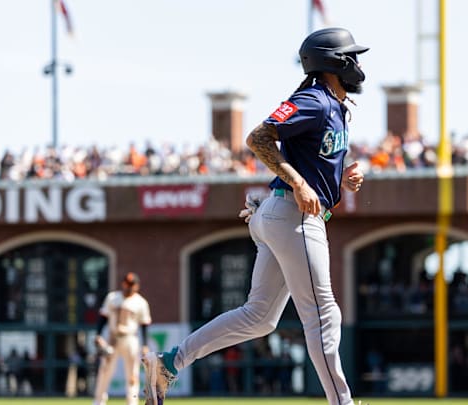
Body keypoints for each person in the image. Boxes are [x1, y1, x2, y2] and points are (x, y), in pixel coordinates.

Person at [142, 27, 368, 405]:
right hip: (292, 215)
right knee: (323, 314)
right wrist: (298, 183)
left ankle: (169, 362)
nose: (357, 63)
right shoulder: (314, 99)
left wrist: (342, 174)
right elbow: (258, 138)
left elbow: (312, 158)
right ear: (335, 62)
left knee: (259, 317)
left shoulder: (333, 105)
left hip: (281, 214)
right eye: (351, 55)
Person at [93, 272, 152, 405]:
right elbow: (103, 317)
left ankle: (132, 402)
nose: (128, 287)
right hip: (112, 338)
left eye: (131, 285)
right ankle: (98, 401)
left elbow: (144, 325)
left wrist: (145, 344)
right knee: (105, 370)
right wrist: (98, 334)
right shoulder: (113, 297)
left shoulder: (140, 302)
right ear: (123, 283)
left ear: (136, 286)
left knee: (132, 374)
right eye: (126, 284)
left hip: (130, 339)